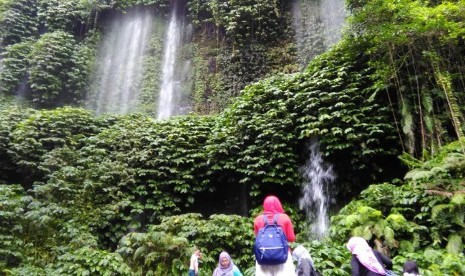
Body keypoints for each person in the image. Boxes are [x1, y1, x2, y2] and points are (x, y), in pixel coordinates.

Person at [254, 195, 296, 276]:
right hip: (283, 256)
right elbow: (291, 238)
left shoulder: (258, 219)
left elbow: (257, 238)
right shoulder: (285, 218)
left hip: (263, 257)